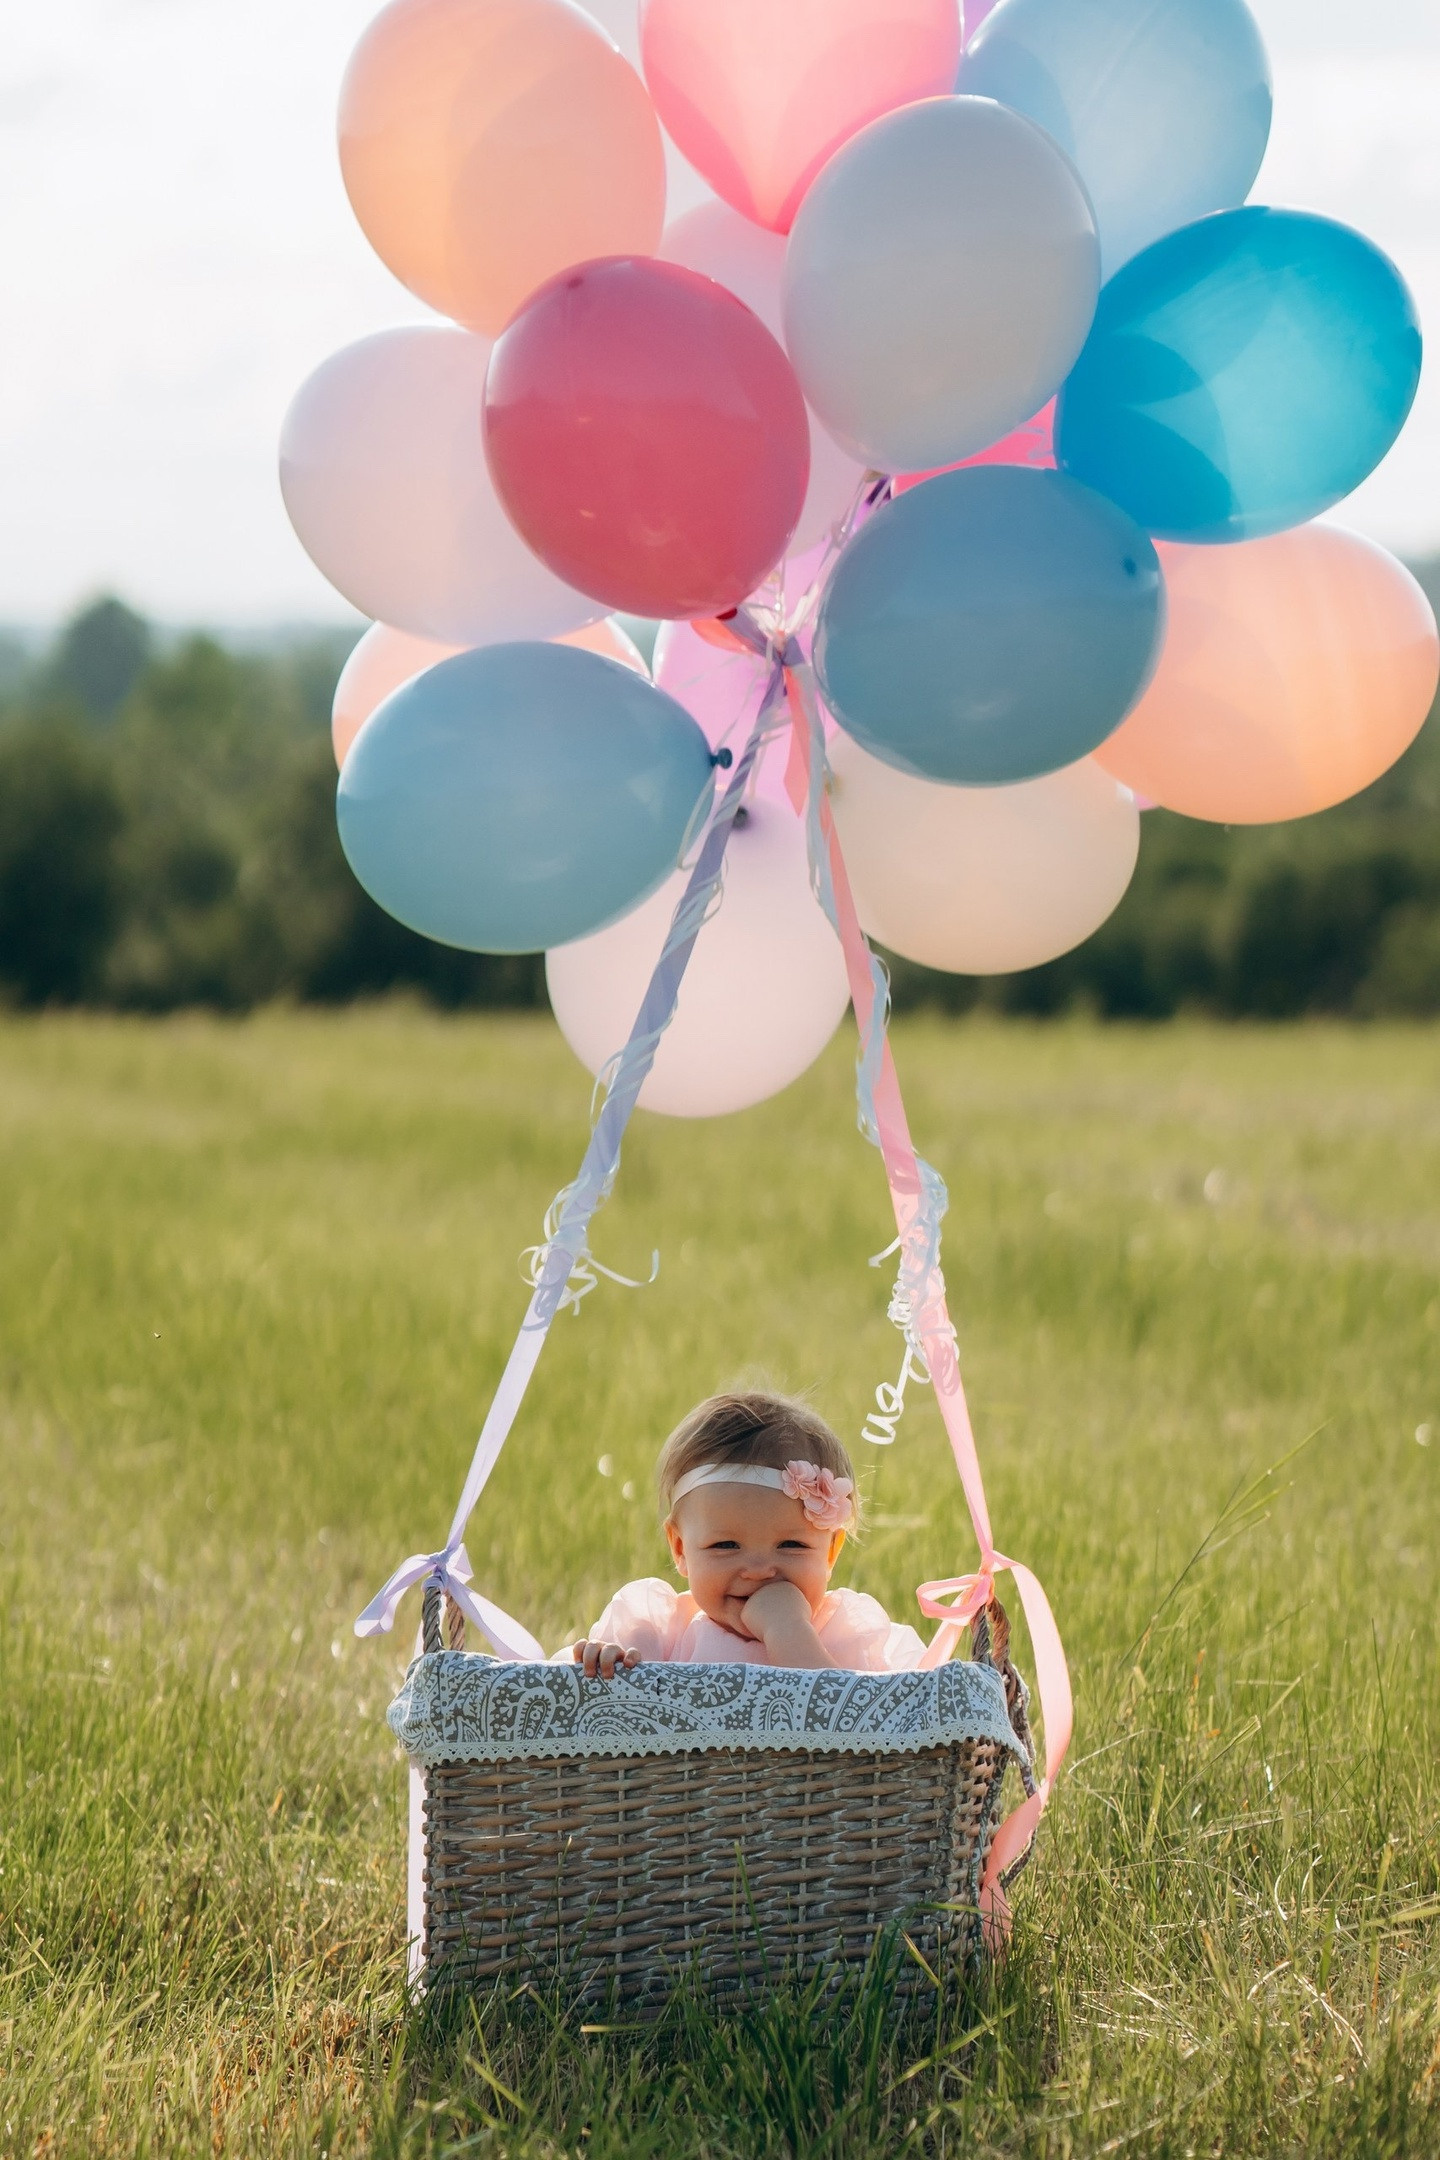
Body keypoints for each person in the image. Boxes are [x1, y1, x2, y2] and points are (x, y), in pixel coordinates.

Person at [563, 1390, 926, 1676]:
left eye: (791, 1544)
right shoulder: (658, 1632)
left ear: (830, 1551)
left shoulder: (844, 1638)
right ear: (680, 1548)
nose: (757, 1570)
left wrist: (788, 1630)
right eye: (725, 1545)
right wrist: (602, 1665)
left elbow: (850, 1726)